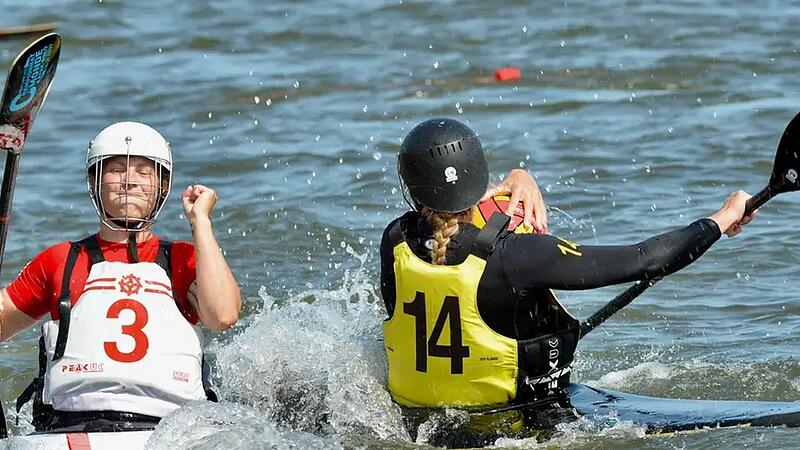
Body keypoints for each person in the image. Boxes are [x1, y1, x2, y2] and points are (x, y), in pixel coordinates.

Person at [380, 118, 754, 445]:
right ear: (478, 178)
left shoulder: (395, 240)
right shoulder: (517, 256)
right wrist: (723, 218)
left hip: (416, 426)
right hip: (514, 428)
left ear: (412, 190)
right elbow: (647, 258)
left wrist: (517, 178)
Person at [0, 122, 241, 432]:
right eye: (116, 170)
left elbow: (223, 315)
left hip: (171, 430)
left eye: (144, 172)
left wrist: (201, 223)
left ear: (162, 187)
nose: (130, 181)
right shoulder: (61, 260)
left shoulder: (184, 258)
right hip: (69, 428)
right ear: (95, 181)